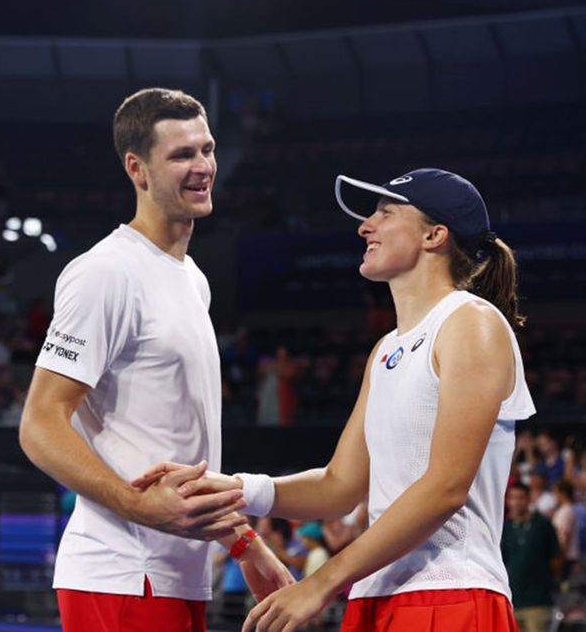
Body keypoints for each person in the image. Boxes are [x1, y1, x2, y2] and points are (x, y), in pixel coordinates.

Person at [136, 168, 535, 631]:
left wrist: (319, 582)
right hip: (374, 595)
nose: (366, 225)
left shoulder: (473, 322)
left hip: (450, 594)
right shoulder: (387, 348)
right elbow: (339, 485)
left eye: (386, 212)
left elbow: (445, 488)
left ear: (435, 235)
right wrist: (234, 489)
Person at [17, 88, 291, 632]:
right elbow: (39, 423)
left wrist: (244, 542)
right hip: (123, 574)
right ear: (137, 169)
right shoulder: (106, 273)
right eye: (182, 155)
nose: (203, 167)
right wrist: (137, 506)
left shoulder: (193, 280)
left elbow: (170, 449)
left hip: (172, 574)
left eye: (207, 149)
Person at [502, 483, 561, 632]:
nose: (516, 502)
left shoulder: (543, 524)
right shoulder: (504, 527)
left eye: (520, 498)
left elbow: (556, 559)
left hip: (538, 602)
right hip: (510, 600)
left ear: (529, 499)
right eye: (513, 498)